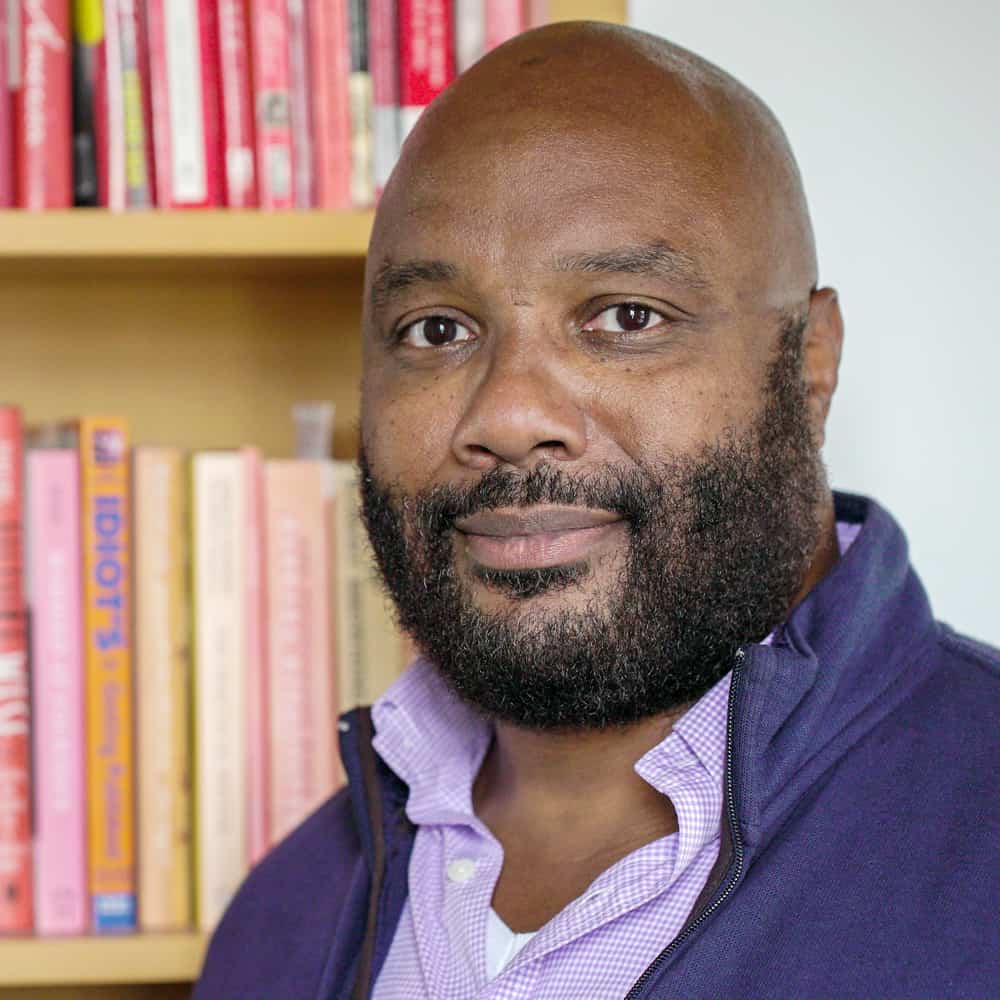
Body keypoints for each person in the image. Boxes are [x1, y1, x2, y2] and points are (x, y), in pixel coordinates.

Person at [195, 21, 999, 1000]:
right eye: (436, 329)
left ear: (810, 362)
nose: (508, 417)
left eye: (626, 316)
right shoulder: (283, 922)